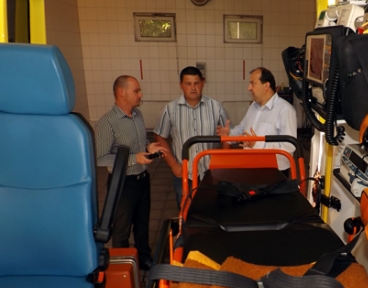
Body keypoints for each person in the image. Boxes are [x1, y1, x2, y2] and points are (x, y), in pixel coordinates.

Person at [95, 75, 168, 271]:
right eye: (136, 91)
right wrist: (135, 158)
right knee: (122, 228)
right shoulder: (107, 122)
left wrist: (148, 147)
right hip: (122, 183)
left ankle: (144, 257)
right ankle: (123, 266)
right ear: (121, 92)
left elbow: (139, 144)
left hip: (142, 179)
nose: (140, 95)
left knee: (142, 223)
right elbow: (102, 158)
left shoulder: (137, 115)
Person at [154, 66, 229, 208]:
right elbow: (159, 137)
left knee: (212, 209)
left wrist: (222, 164)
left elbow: (227, 137)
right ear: (181, 85)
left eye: (196, 83)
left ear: (202, 83)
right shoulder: (169, 110)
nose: (193, 88)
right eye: (188, 84)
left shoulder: (217, 107)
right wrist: (173, 165)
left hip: (210, 172)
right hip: (184, 173)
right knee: (185, 211)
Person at [217, 67, 297, 175]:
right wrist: (229, 135)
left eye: (253, 83)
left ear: (266, 86)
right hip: (250, 166)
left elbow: (289, 146)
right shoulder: (254, 106)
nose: (249, 88)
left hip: (274, 172)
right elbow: (243, 129)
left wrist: (257, 144)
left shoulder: (285, 110)